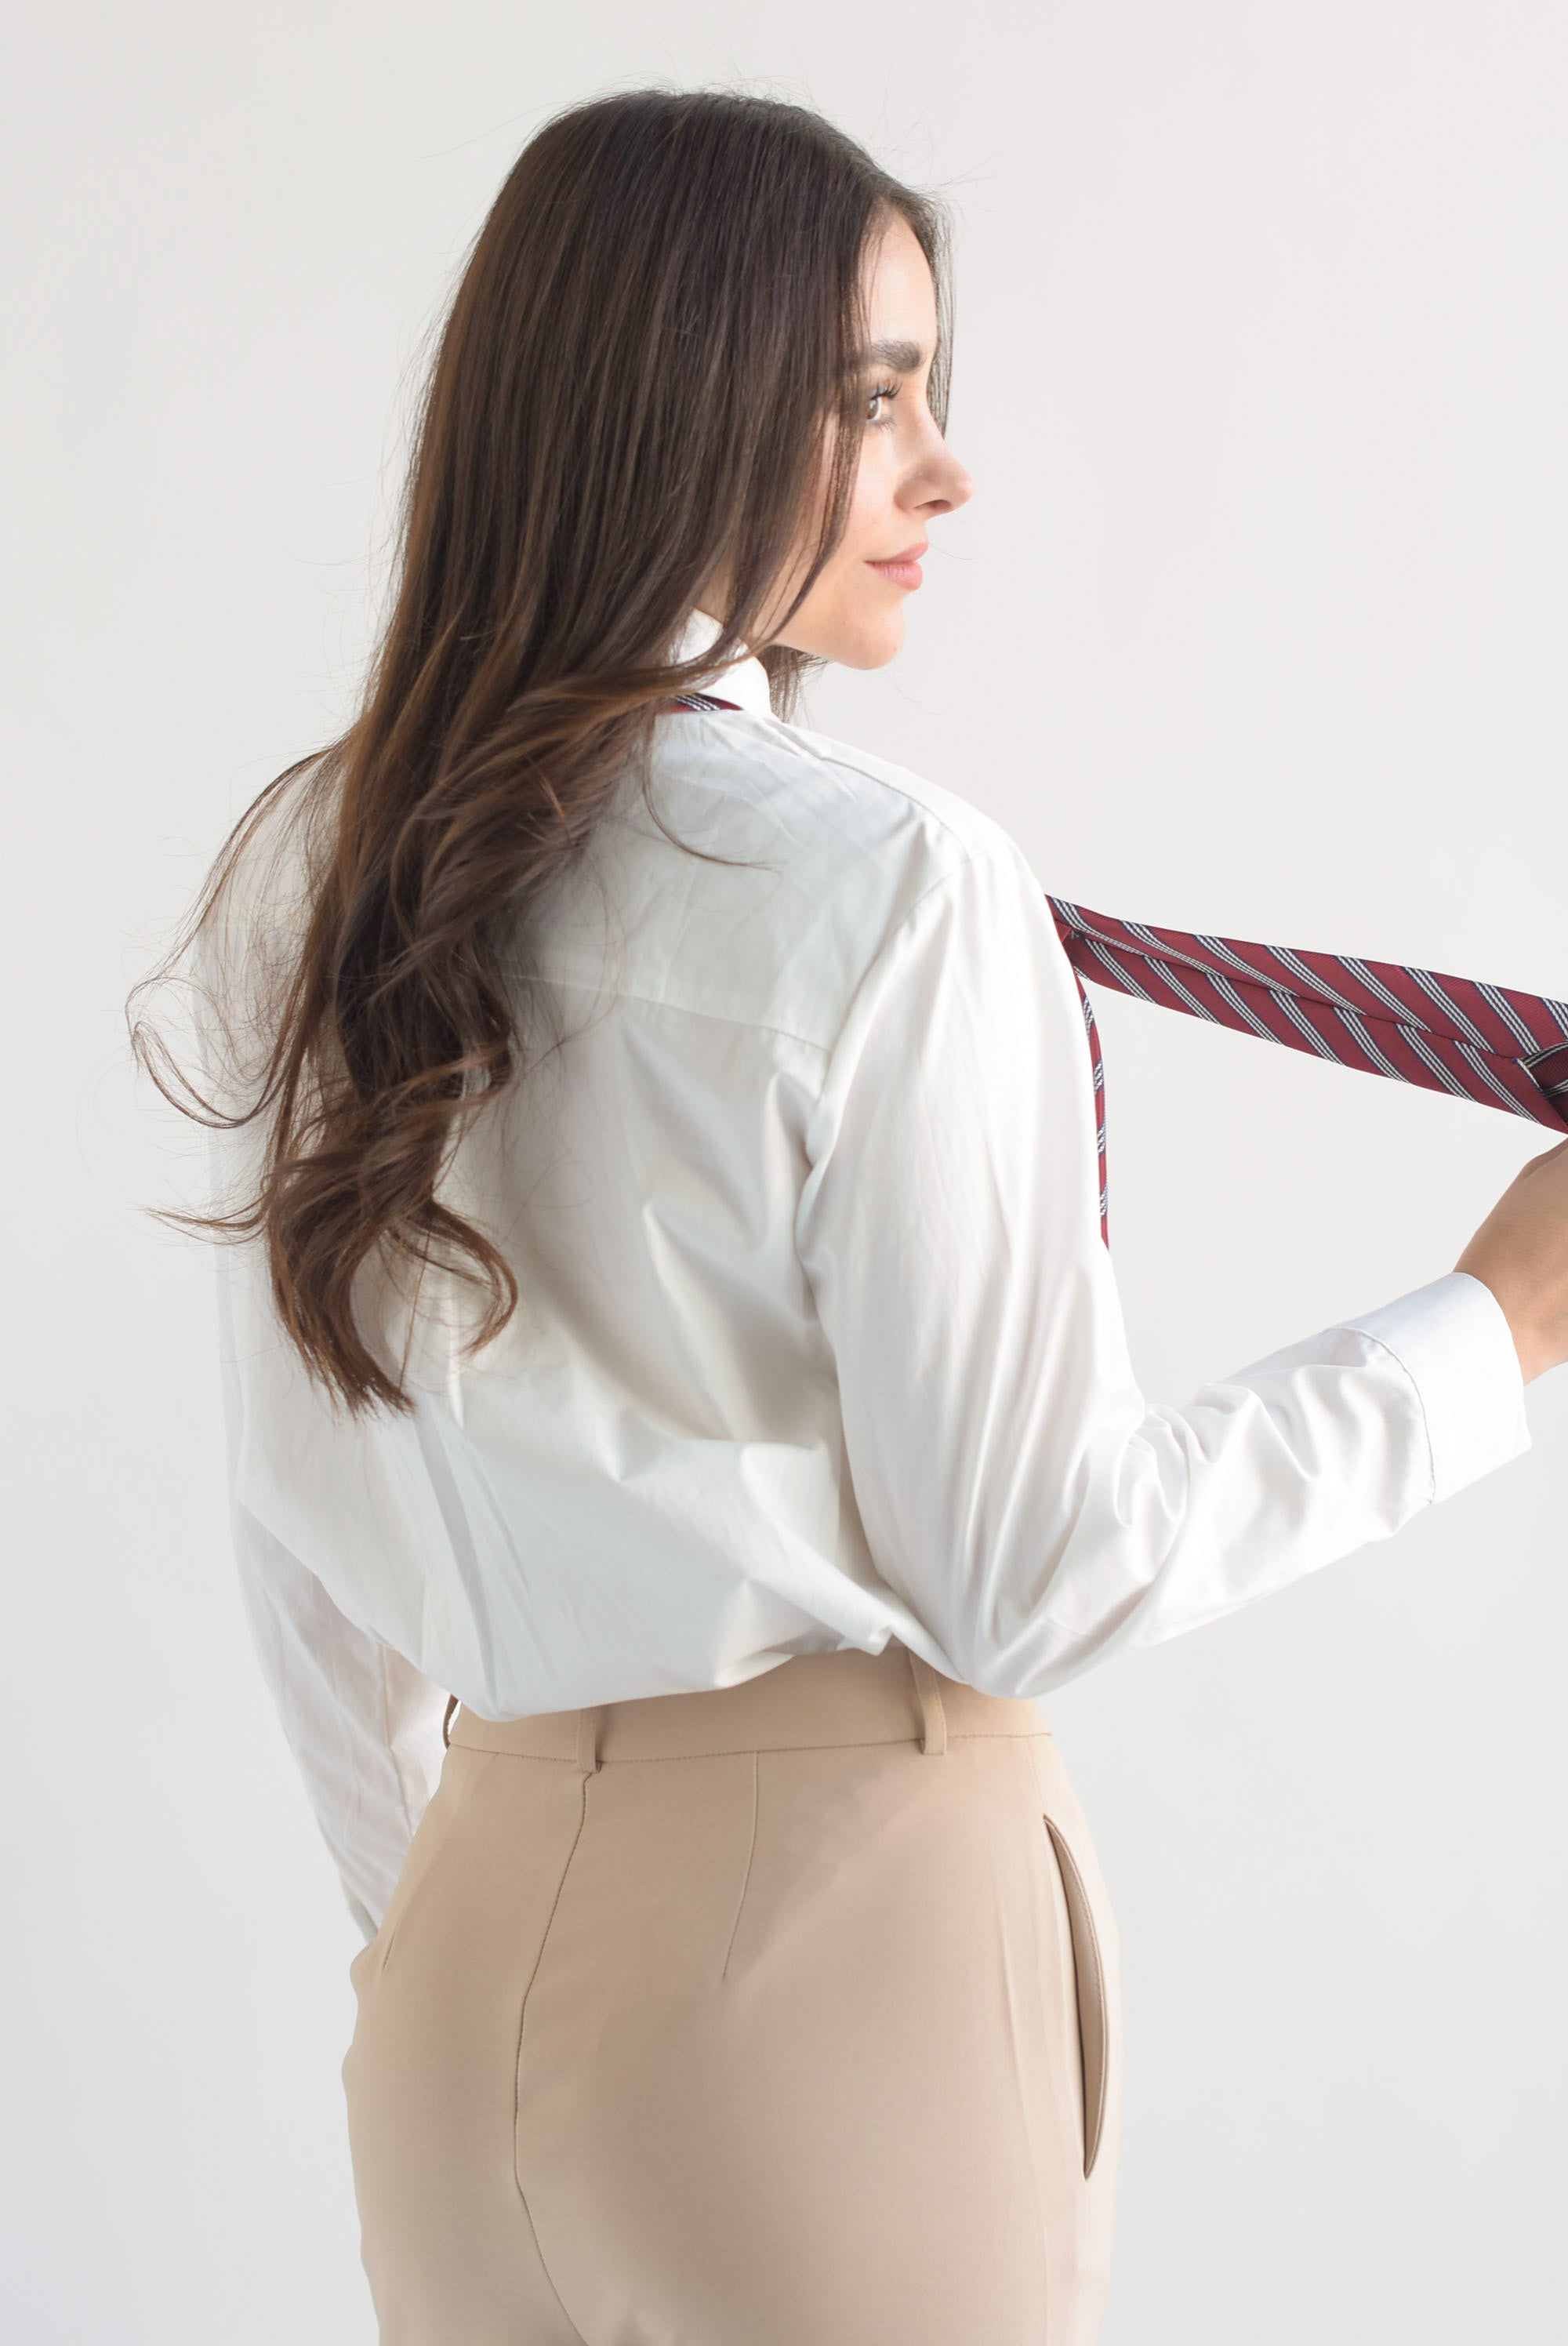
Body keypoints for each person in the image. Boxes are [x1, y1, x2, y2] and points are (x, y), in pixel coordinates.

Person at [132, 85, 1568, 2346]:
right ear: (664, 397)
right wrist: (1499, 1318)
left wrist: (450, 1924)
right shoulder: (889, 884)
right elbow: (1030, 1571)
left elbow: (294, 1536)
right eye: (867, 393)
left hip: (459, 1977)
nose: (942, 468)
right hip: (836, 1965)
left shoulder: (318, 869)